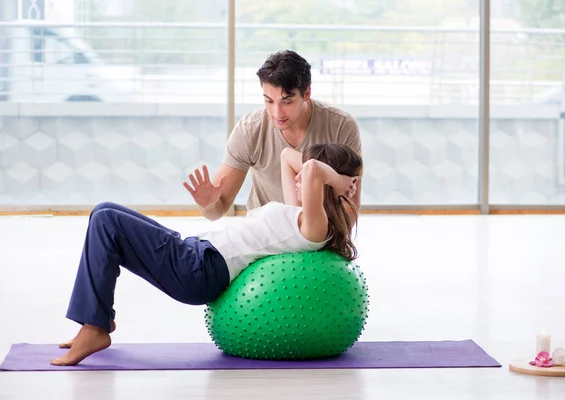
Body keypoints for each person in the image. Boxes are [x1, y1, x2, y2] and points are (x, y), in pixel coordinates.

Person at [50, 143, 363, 366]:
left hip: (200, 269)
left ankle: (94, 328)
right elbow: (287, 157)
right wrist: (328, 176)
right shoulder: (299, 211)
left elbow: (308, 169)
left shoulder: (315, 226)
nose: (297, 177)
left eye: (311, 177)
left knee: (106, 221)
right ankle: (96, 319)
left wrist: (338, 181)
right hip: (196, 252)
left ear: (323, 183)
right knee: (104, 211)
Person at [190, 50, 363, 221]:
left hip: (321, 232)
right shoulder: (250, 130)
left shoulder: (341, 125)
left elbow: (351, 207)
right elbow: (217, 211)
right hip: (265, 232)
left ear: (307, 94)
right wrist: (208, 204)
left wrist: (319, 235)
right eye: (269, 101)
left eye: (287, 101)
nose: (277, 113)